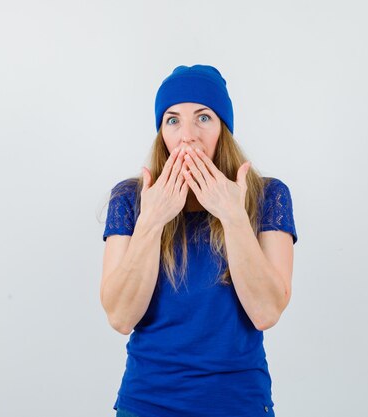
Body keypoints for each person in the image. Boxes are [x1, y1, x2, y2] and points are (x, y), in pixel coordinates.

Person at [100, 64, 298, 417]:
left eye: (203, 117)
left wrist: (233, 217)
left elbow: (266, 312)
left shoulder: (268, 196)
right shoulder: (131, 198)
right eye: (173, 120)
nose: (187, 135)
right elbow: (120, 317)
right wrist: (152, 221)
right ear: (161, 132)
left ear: (224, 128)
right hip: (146, 403)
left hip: (239, 404)